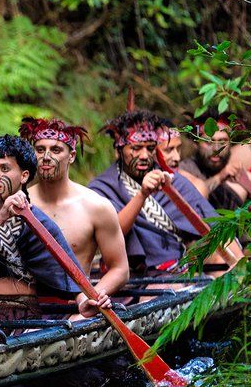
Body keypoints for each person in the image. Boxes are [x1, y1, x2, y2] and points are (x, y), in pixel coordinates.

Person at [0, 135, 82, 329]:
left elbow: (71, 276)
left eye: (4, 168)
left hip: (26, 315)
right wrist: (0, 218)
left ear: (24, 176)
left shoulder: (40, 223)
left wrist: (85, 301)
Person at [88, 109, 242, 275]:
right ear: (118, 150)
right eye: (136, 148)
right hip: (133, 275)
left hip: (179, 266)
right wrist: (142, 195)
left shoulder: (171, 179)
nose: (144, 155)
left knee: (221, 259)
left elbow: (214, 226)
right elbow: (111, 234)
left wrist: (239, 265)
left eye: (150, 148)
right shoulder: (103, 187)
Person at [18, 117, 129, 319]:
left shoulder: (96, 206)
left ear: (71, 156)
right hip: (22, 309)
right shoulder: (16, 203)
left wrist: (92, 299)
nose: (46, 157)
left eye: (56, 150)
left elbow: (120, 269)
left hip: (73, 310)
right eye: (40, 149)